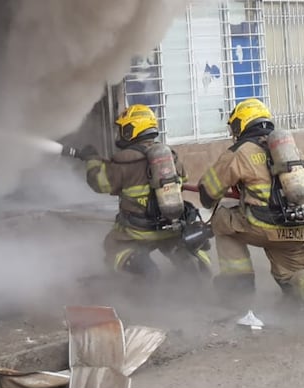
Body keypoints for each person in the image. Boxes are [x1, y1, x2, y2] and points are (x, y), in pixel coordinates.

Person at [196, 98, 304, 314]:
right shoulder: (287, 149)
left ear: (241, 124)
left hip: (260, 226)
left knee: (221, 222)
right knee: (293, 278)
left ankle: (238, 286)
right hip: (298, 226)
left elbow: (208, 195)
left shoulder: (239, 152)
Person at [74, 104, 212, 280]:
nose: (120, 132)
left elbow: (99, 183)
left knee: (112, 245)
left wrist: (92, 160)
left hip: (137, 229)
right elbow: (183, 178)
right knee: (178, 244)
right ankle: (191, 266)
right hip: (172, 226)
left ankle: (141, 268)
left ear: (133, 129)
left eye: (124, 128)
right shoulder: (170, 156)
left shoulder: (124, 160)